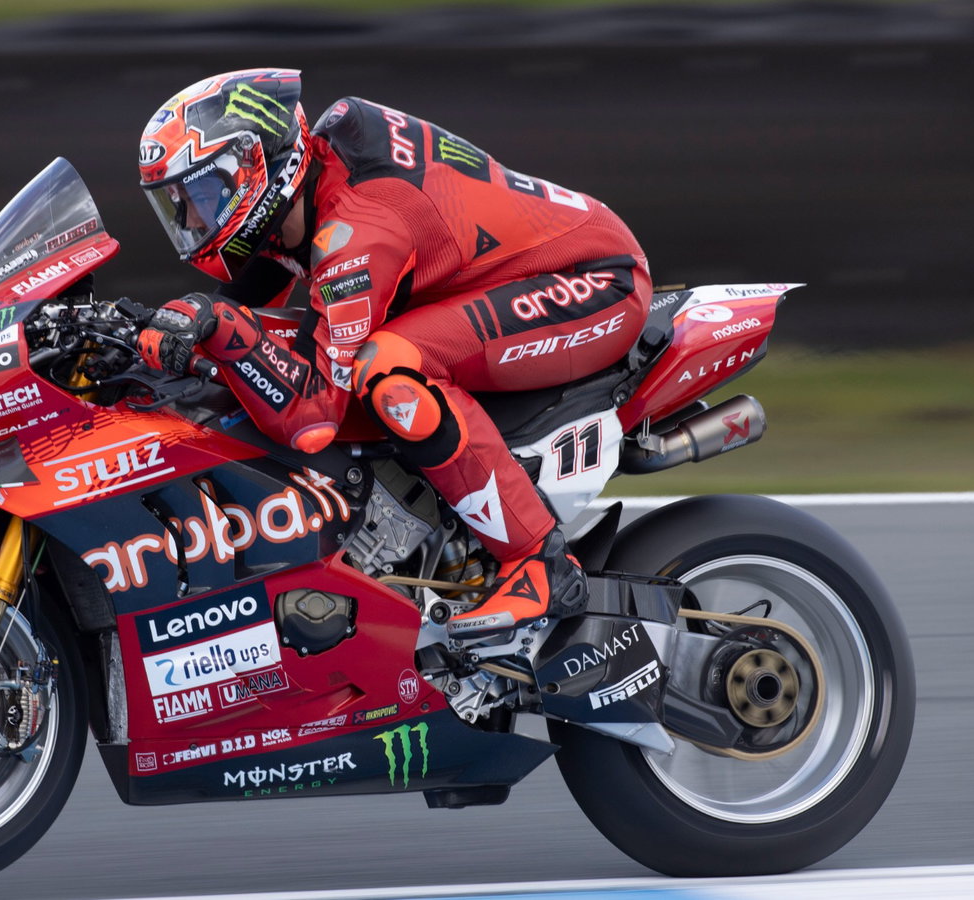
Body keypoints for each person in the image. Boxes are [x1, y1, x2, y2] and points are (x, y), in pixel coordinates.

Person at [135, 68, 651, 643]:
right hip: (509, 273)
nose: (190, 222)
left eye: (202, 196)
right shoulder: (304, 186)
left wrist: (222, 327)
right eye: (178, 205)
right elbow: (231, 305)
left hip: (592, 279)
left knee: (389, 370)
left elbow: (312, 418)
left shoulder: (357, 228)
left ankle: (541, 562)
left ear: (257, 167)